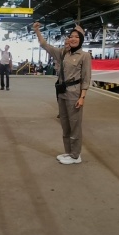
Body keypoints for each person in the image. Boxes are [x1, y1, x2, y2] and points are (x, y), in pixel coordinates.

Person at [34, 22, 91, 165]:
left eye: (76, 37)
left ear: (81, 40)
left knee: (75, 125)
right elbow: (45, 45)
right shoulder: (63, 53)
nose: (72, 39)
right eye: (71, 36)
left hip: (74, 94)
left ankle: (75, 155)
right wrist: (37, 30)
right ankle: (69, 152)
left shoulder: (84, 56)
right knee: (65, 124)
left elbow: (86, 78)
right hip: (62, 93)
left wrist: (82, 97)